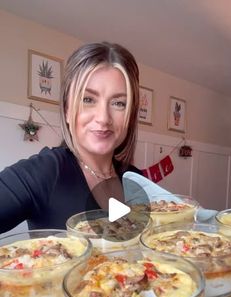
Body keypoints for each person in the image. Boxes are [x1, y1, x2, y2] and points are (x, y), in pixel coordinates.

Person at [0, 41, 141, 234]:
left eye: (118, 103)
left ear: (130, 114)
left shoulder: (135, 178)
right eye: (88, 99)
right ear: (67, 109)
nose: (103, 118)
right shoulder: (46, 172)